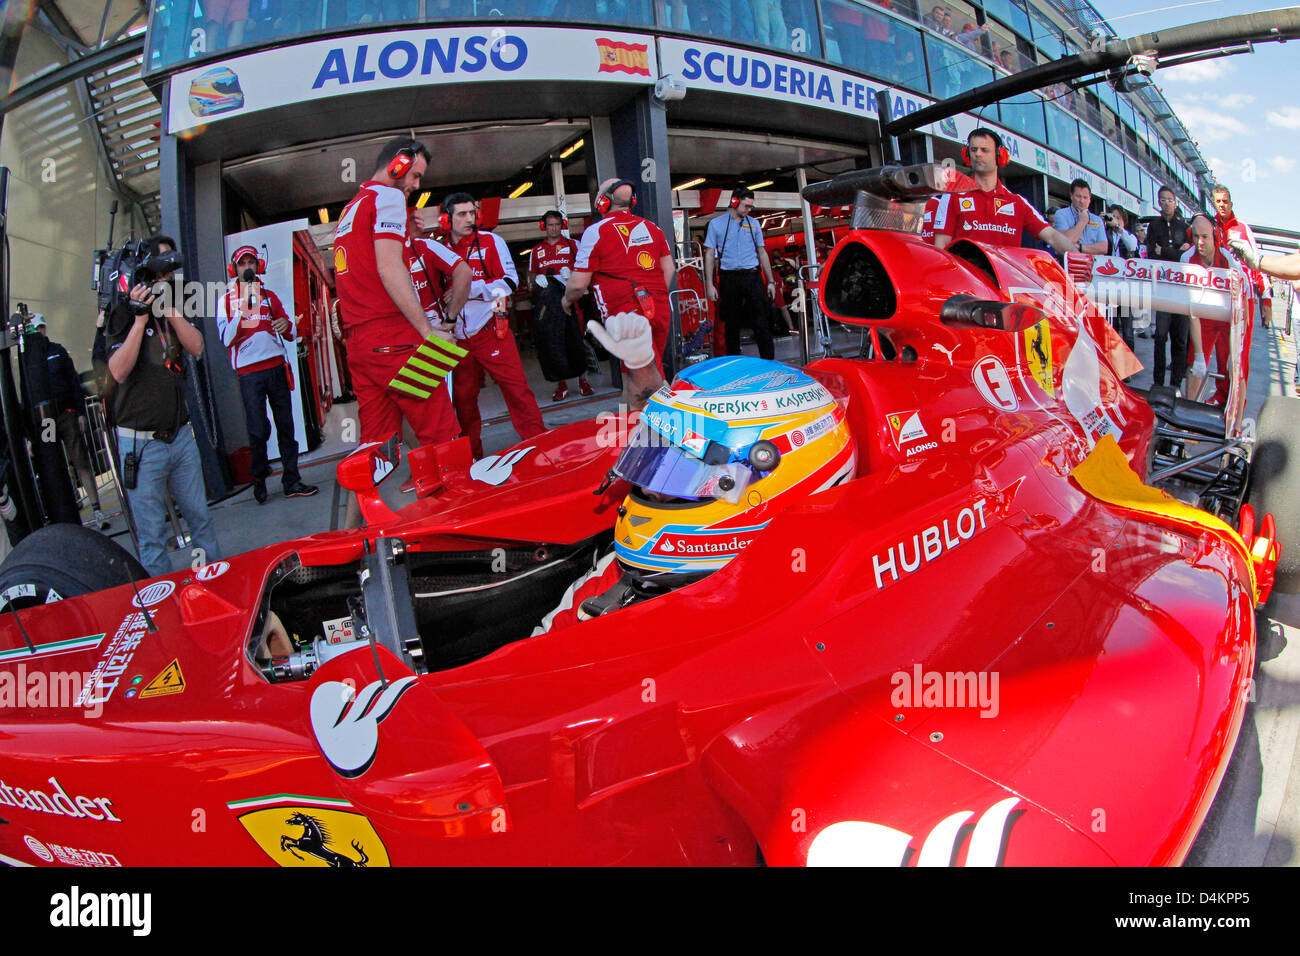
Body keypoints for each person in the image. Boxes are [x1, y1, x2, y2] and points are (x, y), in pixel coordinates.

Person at [334, 138, 466, 468]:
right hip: (396, 339)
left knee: (373, 451)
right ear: (398, 164)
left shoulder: (351, 208)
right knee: (444, 436)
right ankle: (456, 516)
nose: (416, 185)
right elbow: (389, 266)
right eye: (415, 176)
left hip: (361, 348)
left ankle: (359, 521)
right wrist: (427, 332)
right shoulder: (388, 196)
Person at [105, 235, 222, 577]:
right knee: (152, 536)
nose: (168, 276)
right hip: (141, 444)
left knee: (200, 518)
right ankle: (164, 607)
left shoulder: (173, 303)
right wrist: (140, 320)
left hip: (180, 436)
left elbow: (197, 346)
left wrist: (169, 309)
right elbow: (117, 371)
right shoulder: (122, 312)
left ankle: (214, 583)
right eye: (163, 268)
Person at [442, 191, 546, 460]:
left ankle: (539, 443)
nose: (470, 219)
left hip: (492, 331)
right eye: (462, 214)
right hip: (457, 339)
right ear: (446, 220)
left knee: (517, 390)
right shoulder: (439, 249)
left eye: (472, 213)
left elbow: (510, 282)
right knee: (463, 401)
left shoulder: (491, 241)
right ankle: (471, 455)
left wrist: (468, 289)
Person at [216, 245, 318, 504]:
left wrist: (287, 326)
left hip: (276, 368)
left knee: (287, 426)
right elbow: (227, 340)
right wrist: (243, 308)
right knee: (258, 430)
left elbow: (291, 333)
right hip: (249, 375)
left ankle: (292, 480)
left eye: (251, 262)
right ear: (234, 269)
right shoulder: (225, 299)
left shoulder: (270, 296)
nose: (247, 267)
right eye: (242, 264)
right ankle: (259, 478)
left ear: (257, 267)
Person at [563, 178, 676, 403]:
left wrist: (566, 301)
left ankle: (677, 426)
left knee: (649, 382)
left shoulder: (595, 231)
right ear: (631, 201)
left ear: (603, 202)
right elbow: (669, 268)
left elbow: (577, 284)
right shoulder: (653, 228)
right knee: (635, 375)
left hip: (626, 314)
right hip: (659, 308)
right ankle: (631, 427)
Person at [933, 129, 1076, 254]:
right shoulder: (952, 196)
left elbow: (1051, 235)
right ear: (967, 154)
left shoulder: (1017, 202)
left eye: (984, 150)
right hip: (967, 284)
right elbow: (941, 246)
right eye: (974, 150)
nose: (978, 154)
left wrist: (1079, 256)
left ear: (1000, 155)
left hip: (1005, 283)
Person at [29, 314, 109, 529]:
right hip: (46, 420)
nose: (38, 333)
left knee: (80, 459)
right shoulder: (28, 358)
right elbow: (27, 394)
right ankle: (67, 514)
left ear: (44, 328)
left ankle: (97, 509)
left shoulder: (58, 351)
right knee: (54, 465)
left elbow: (73, 382)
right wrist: (29, 433)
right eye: (34, 329)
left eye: (40, 328)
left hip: (66, 413)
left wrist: (81, 411)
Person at [703, 187, 778, 360]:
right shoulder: (717, 224)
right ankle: (733, 360)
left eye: (751, 207)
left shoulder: (754, 224)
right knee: (731, 323)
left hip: (752, 276)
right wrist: (709, 284)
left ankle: (768, 360)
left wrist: (771, 282)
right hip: (729, 277)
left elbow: (762, 252)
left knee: (761, 321)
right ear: (734, 202)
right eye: (745, 206)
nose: (748, 210)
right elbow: (709, 254)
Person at [529, 210, 592, 402]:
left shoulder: (574, 245)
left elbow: (585, 270)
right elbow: (531, 277)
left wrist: (572, 274)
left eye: (557, 224)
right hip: (550, 302)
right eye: (550, 225)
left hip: (573, 299)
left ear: (562, 225)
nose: (554, 228)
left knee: (579, 338)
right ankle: (561, 385)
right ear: (544, 226)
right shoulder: (536, 250)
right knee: (554, 341)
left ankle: (584, 381)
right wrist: (537, 281)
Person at [1181, 214, 1242, 406]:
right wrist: (1199, 356)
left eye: (1205, 236)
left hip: (1227, 317)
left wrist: (1236, 345)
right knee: (1195, 366)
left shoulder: (1228, 259)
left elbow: (1241, 305)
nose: (1200, 242)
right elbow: (1191, 308)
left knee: (1229, 365)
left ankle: (1226, 408)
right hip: (1202, 316)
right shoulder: (1187, 258)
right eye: (1196, 236)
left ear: (1215, 235)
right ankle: (1188, 413)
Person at [1143, 185, 1191, 389]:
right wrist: (1174, 252)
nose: (1166, 204)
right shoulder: (1154, 226)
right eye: (1162, 200)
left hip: (1182, 290)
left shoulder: (1185, 228)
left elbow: (1186, 257)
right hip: (1162, 289)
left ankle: (1176, 384)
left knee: (1180, 339)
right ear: (1158, 203)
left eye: (1169, 200)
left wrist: (1167, 252)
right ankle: (1158, 382)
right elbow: (1152, 254)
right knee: (1160, 337)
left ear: (1175, 202)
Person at [1213, 184, 1271, 329]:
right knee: (1220, 350)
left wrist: (1266, 300)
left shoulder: (1242, 227)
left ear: (1231, 204)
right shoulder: (1210, 227)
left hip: (1243, 295)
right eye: (1218, 201)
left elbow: (1256, 262)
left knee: (1241, 349)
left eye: (1225, 201)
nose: (1222, 205)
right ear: (1214, 203)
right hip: (1216, 293)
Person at [1102, 206, 1140, 351]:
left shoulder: (1128, 236)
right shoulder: (1105, 235)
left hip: (1125, 288)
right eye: (1112, 217)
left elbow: (1132, 246)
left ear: (1124, 220)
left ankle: (1128, 365)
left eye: (1118, 218)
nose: (1114, 220)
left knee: (1127, 329)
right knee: (1111, 327)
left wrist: (1118, 228)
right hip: (1108, 287)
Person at [1051, 179, 1108, 258]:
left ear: (1090, 199)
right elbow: (1065, 242)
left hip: (1092, 265)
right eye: (1078, 196)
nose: (1082, 201)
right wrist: (1082, 221)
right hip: (1069, 264)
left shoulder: (1097, 220)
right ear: (1071, 196)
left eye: (1085, 197)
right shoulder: (1061, 214)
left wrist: (1079, 247)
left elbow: (1103, 248)